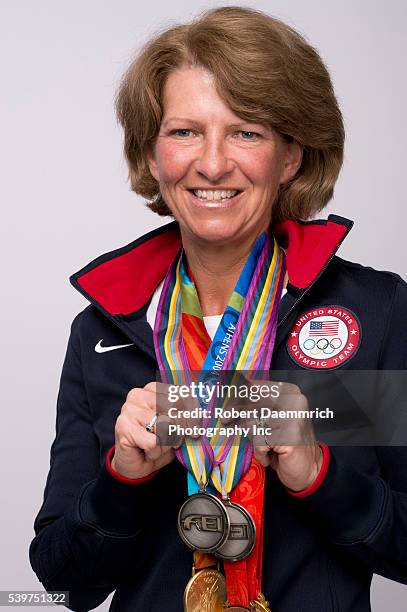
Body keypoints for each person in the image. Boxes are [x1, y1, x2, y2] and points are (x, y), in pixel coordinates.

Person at [29, 6, 407, 612]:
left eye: (246, 131)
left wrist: (320, 477)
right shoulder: (104, 330)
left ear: (292, 156)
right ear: (152, 156)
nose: (211, 163)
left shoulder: (369, 314)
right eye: (184, 132)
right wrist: (123, 479)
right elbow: (63, 581)